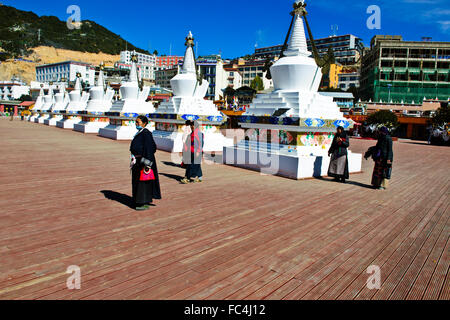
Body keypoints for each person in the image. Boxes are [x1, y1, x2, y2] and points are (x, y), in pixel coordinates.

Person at [130, 116, 162, 211]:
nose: (136, 124)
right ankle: (138, 200)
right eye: (135, 122)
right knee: (137, 181)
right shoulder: (139, 133)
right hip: (137, 161)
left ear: (144, 123)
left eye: (138, 122)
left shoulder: (146, 134)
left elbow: (150, 149)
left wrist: (147, 164)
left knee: (142, 182)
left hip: (143, 162)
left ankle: (141, 202)